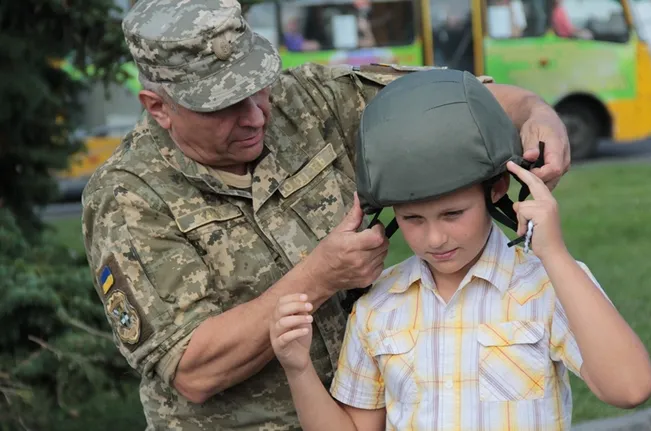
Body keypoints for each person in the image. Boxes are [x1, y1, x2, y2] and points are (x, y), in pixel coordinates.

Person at [81, 0, 573, 429]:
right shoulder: (128, 198)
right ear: (158, 107)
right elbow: (192, 369)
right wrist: (319, 277)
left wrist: (536, 114)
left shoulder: (313, 98)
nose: (255, 115)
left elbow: (456, 102)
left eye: (258, 87)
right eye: (223, 106)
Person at [270, 69, 651, 430]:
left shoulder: (545, 284)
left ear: (499, 188)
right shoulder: (378, 307)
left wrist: (554, 254)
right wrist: (298, 368)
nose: (434, 238)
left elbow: (629, 388)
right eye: (412, 219)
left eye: (453, 213)